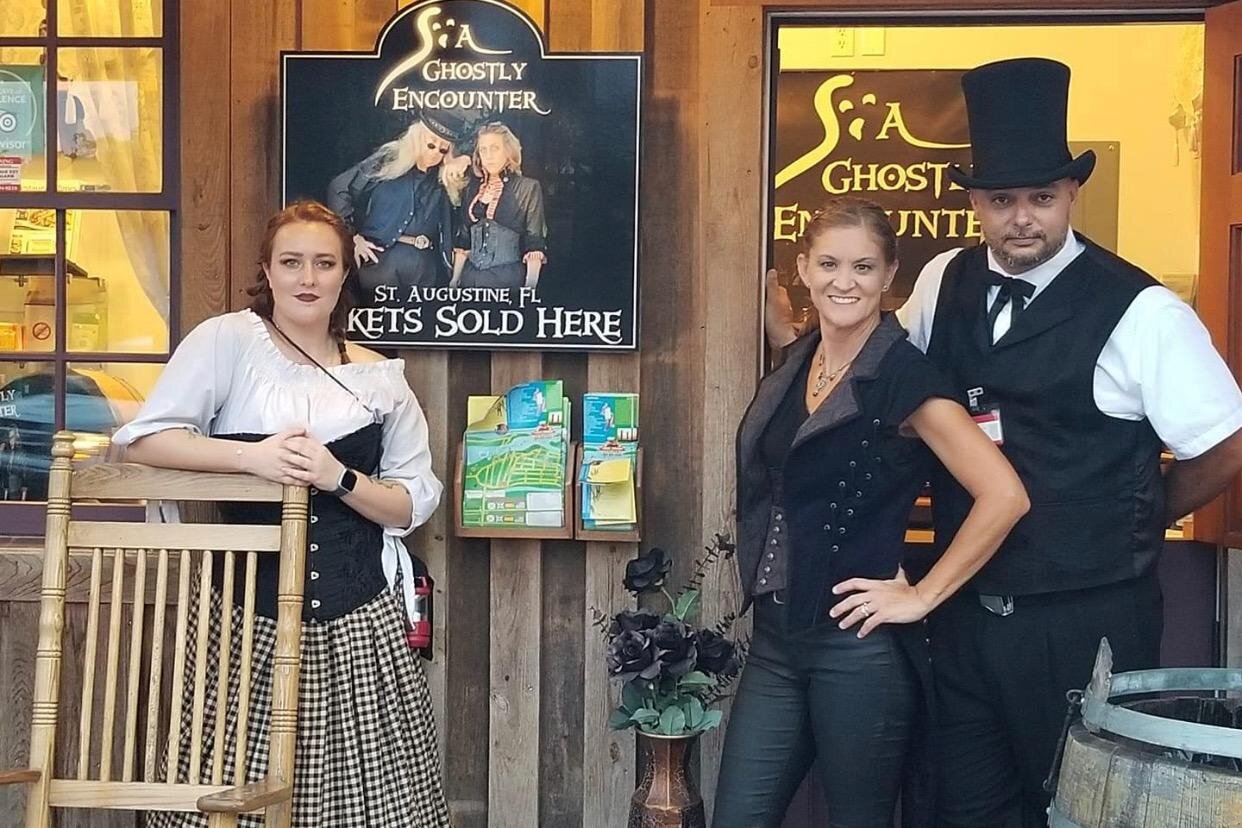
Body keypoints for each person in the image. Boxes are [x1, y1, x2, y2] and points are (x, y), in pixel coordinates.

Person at [896, 58, 1242, 827]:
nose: (1022, 218)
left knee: (1082, 814)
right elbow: (892, 394)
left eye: (1041, 198)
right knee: (965, 812)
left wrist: (1140, 512)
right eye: (1002, 200)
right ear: (975, 202)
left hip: (1086, 620)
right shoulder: (940, 281)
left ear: (1072, 195)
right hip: (966, 612)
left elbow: (1226, 445)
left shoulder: (1143, 311)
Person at [111, 201, 450, 826]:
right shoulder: (228, 342)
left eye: (325, 263)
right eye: (291, 262)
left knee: (372, 798)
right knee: (228, 777)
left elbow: (410, 502)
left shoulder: (380, 378)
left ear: (344, 274)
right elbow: (146, 440)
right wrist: (253, 459)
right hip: (244, 612)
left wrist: (338, 476)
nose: (307, 278)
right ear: (267, 271)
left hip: (361, 619)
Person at [717, 197, 1029, 828]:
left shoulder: (905, 376)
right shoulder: (800, 360)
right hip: (775, 641)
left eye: (863, 267)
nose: (845, 281)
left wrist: (922, 595)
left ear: (889, 276)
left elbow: (1005, 495)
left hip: (857, 650)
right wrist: (782, 328)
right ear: (803, 269)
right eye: (829, 264)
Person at [327, 109, 469, 299]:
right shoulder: (389, 159)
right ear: (417, 137)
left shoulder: (444, 177)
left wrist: (465, 159)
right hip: (381, 261)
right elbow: (339, 188)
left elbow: (486, 154)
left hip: (425, 267)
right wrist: (352, 238)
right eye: (431, 144)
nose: (434, 152)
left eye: (442, 149)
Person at [450, 121, 547, 291]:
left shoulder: (527, 188)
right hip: (469, 280)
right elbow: (464, 240)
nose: (489, 155)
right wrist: (454, 281)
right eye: (483, 150)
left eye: (495, 148)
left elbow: (534, 241)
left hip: (506, 280)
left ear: (508, 151)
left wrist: (529, 290)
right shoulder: (471, 188)